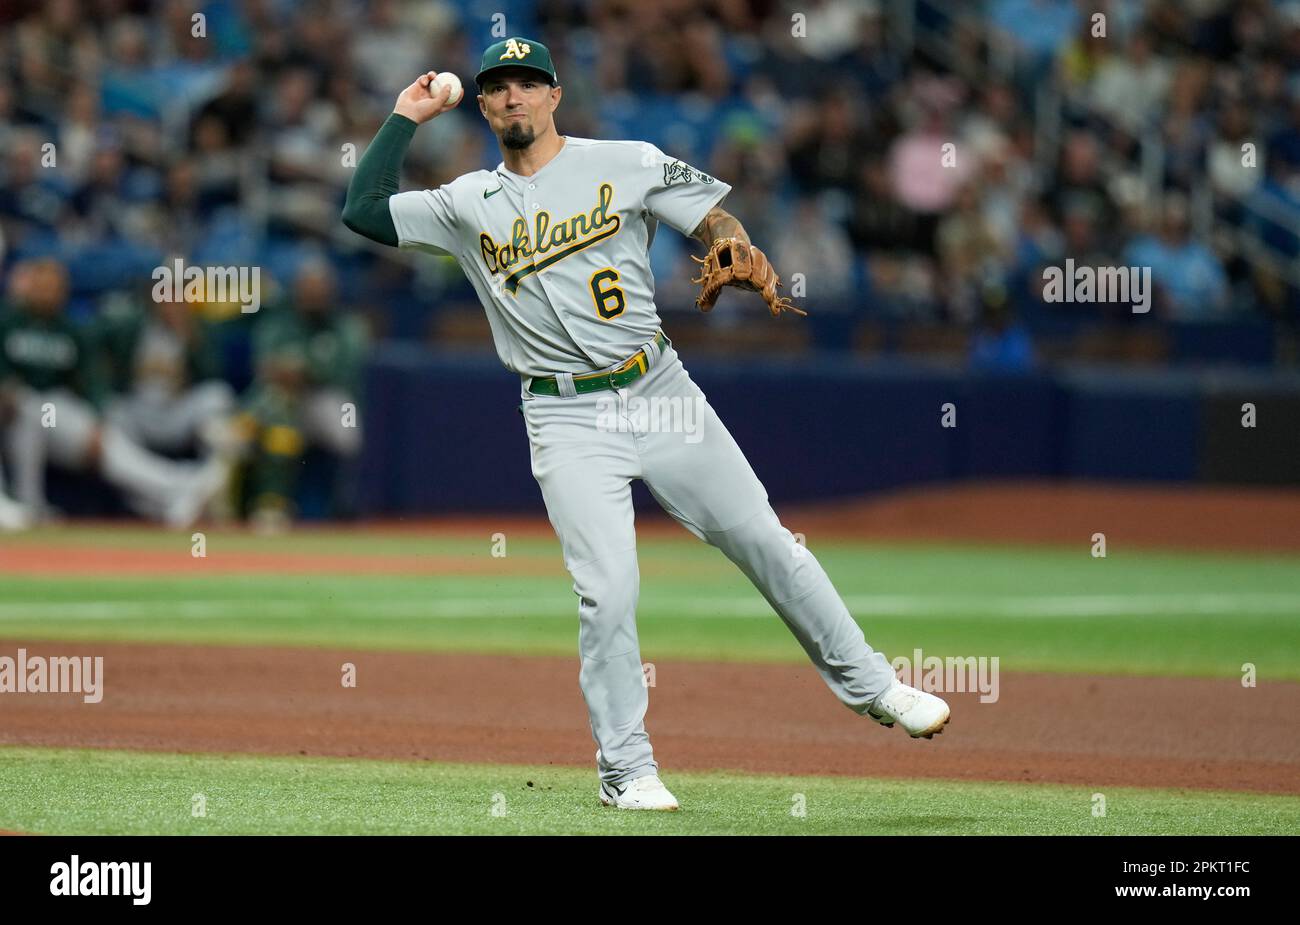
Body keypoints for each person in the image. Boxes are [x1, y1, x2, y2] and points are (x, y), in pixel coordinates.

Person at [342, 38, 950, 811]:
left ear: (556, 96)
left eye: (530, 84)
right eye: (499, 88)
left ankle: (874, 686)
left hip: (658, 386)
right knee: (609, 590)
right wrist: (404, 116)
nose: (514, 97)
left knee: (764, 537)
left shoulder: (625, 159)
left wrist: (730, 240)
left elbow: (712, 213)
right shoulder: (466, 202)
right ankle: (626, 767)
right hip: (564, 412)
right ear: (486, 105)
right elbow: (362, 209)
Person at [0, 258, 226, 526]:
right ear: (28, 286)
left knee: (105, 443)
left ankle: (178, 488)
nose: (49, 293)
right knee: (29, 409)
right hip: (15, 412)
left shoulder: (70, 329)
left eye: (55, 287)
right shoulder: (7, 322)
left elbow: (89, 379)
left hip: (54, 412)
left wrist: (96, 416)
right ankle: (28, 503)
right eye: (43, 286)